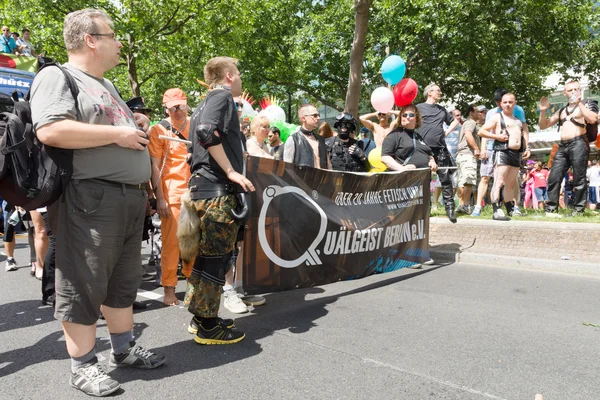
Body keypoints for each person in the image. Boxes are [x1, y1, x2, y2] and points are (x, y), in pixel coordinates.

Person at [31, 9, 165, 397]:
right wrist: (116, 134)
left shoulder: (105, 84)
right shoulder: (57, 76)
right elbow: (50, 129)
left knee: (122, 282)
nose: (120, 43)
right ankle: (82, 367)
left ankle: (122, 349)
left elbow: (109, 132)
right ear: (91, 39)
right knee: (83, 282)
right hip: (90, 197)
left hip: (126, 198)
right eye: (113, 35)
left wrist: (132, 125)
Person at [180, 56, 253, 344]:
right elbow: (206, 133)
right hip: (215, 192)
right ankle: (208, 326)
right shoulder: (222, 97)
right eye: (238, 73)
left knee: (207, 257)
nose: (240, 78)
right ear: (228, 75)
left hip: (203, 189)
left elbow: (197, 143)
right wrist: (232, 171)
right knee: (216, 259)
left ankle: (201, 317)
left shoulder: (204, 103)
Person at [148, 88, 193, 305]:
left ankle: (193, 283)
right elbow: (155, 167)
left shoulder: (195, 124)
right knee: (171, 244)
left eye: (181, 106)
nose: (178, 111)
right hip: (172, 193)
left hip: (196, 192)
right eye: (173, 107)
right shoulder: (158, 130)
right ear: (166, 108)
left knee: (194, 243)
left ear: (186, 104)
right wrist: (160, 198)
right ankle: (169, 288)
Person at [539, 80, 598, 217]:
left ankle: (578, 210)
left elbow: (593, 119)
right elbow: (544, 125)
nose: (573, 92)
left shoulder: (586, 104)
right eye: (570, 90)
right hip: (563, 145)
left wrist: (578, 103)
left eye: (576, 89)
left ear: (580, 91)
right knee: (554, 176)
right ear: (565, 92)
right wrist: (543, 112)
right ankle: (551, 209)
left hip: (579, 143)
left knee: (579, 178)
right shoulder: (562, 110)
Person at [472, 90, 526, 217]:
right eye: (505, 102)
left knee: (511, 183)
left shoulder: (517, 120)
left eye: (510, 102)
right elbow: (481, 131)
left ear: (515, 103)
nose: (507, 105)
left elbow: (523, 134)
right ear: (501, 104)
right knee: (499, 181)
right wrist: (497, 136)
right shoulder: (497, 117)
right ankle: (496, 208)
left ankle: (510, 208)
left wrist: (525, 148)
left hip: (516, 153)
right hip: (502, 151)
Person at [416, 83, 459, 223]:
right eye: (438, 91)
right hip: (422, 149)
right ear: (429, 92)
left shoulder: (442, 109)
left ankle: (450, 210)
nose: (440, 93)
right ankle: (424, 209)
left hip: (440, 148)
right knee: (423, 180)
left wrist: (446, 132)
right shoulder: (419, 108)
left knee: (445, 179)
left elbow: (455, 121)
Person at [381, 104, 438, 173]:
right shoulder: (394, 135)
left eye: (411, 115)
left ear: (416, 118)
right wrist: (402, 168)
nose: (407, 117)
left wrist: (432, 161)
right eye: (404, 115)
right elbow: (385, 157)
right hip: (405, 180)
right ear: (400, 117)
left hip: (423, 179)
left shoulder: (418, 136)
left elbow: (429, 154)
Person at [283, 104, 330, 169]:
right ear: (303, 118)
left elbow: (329, 166)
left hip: (322, 178)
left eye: (318, 115)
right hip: (301, 178)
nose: (318, 118)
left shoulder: (321, 139)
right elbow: (287, 168)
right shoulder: (293, 140)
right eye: (315, 115)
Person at [455, 105, 481, 214]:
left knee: (462, 182)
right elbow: (468, 135)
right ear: (471, 113)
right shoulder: (471, 122)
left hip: (461, 155)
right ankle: (466, 205)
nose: (479, 114)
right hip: (467, 154)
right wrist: (476, 148)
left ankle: (461, 205)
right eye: (477, 112)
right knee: (468, 181)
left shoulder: (465, 123)